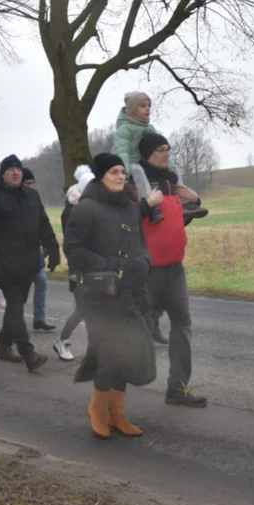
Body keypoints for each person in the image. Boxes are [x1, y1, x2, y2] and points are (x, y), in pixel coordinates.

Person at [63, 153, 157, 438]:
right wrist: (110, 267)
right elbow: (74, 250)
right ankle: (97, 410)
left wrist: (143, 263)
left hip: (131, 290)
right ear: (101, 175)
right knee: (109, 354)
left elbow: (141, 243)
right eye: (114, 172)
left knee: (128, 353)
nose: (120, 177)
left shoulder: (130, 207)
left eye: (122, 172)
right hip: (99, 293)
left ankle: (117, 414)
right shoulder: (86, 208)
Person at [138, 132, 208, 407]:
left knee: (182, 325)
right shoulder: (137, 181)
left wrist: (196, 199)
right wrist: (146, 204)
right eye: (161, 149)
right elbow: (131, 218)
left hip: (175, 268)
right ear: (147, 153)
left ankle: (177, 387)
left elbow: (176, 221)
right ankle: (113, 385)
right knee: (136, 327)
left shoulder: (172, 180)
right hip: (148, 271)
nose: (167, 153)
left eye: (168, 149)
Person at [0, 154, 60, 371]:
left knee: (16, 306)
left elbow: (43, 224)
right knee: (15, 306)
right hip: (6, 266)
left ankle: (4, 346)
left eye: (18, 168)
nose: (16, 172)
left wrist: (53, 250)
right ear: (3, 174)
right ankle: (28, 352)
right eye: (10, 169)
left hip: (29, 263)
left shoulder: (32, 196)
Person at [111, 91, 208, 220]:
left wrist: (171, 166)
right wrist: (125, 173)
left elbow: (160, 145)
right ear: (133, 109)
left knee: (177, 169)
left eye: (149, 106)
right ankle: (151, 205)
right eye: (142, 106)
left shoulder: (149, 128)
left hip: (146, 162)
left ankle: (185, 201)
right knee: (138, 170)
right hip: (131, 164)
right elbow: (121, 152)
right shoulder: (124, 130)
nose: (147, 109)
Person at [52, 165, 95, 361]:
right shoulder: (71, 212)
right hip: (80, 268)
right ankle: (63, 340)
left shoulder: (93, 207)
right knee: (83, 309)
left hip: (96, 266)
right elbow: (72, 245)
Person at [22, 167, 57, 332]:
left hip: (35, 249)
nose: (29, 186)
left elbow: (43, 222)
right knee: (20, 290)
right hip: (20, 252)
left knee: (41, 281)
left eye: (31, 183)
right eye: (26, 183)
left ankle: (39, 319)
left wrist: (51, 246)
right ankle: (15, 321)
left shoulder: (34, 198)